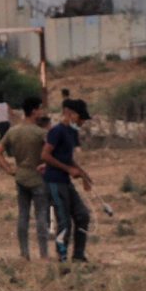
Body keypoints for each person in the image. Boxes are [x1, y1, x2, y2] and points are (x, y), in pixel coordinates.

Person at [0, 96, 51, 261]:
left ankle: (24, 253)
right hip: (38, 178)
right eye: (39, 109)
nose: (41, 112)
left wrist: (9, 169)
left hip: (20, 176)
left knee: (23, 215)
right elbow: (52, 153)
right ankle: (44, 254)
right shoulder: (41, 133)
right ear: (33, 111)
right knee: (41, 215)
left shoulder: (13, 131)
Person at [41, 99, 93, 263]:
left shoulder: (71, 132)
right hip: (54, 182)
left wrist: (83, 174)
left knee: (83, 215)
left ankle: (78, 255)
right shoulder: (56, 131)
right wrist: (69, 170)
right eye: (80, 118)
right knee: (64, 221)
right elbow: (45, 156)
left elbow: (68, 158)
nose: (82, 121)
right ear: (69, 114)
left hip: (65, 181)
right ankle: (62, 257)